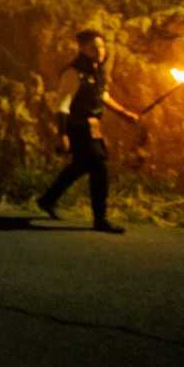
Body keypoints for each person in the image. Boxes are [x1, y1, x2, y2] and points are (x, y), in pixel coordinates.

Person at [36, 29, 140, 233]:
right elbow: (63, 105)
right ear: (82, 48)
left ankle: (47, 200)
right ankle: (100, 219)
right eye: (93, 47)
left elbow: (103, 96)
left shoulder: (96, 70)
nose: (99, 50)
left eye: (101, 46)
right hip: (78, 126)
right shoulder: (74, 72)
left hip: (92, 126)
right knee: (99, 167)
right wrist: (62, 134)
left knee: (80, 166)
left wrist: (125, 114)